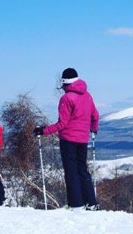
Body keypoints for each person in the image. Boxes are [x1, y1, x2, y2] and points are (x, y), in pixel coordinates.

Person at [34, 68, 100, 211]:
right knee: (82, 169)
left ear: (64, 83)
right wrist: (94, 129)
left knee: (71, 171)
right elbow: (95, 115)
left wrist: (43, 130)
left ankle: (76, 204)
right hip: (83, 139)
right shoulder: (87, 96)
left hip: (69, 139)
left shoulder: (66, 98)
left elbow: (62, 124)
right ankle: (91, 201)